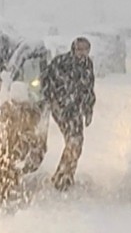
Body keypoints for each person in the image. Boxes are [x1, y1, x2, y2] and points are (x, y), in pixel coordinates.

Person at [41, 36, 96, 190]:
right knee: (73, 140)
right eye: (79, 49)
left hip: (77, 109)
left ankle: (66, 174)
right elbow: (47, 82)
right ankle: (62, 176)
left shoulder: (88, 65)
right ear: (73, 49)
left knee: (77, 142)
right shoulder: (61, 63)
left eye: (86, 50)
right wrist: (53, 102)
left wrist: (89, 109)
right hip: (62, 108)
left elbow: (89, 88)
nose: (82, 53)